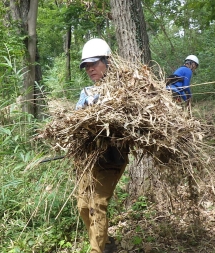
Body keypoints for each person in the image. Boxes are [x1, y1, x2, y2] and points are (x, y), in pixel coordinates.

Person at [75, 38, 129, 253]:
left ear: (108, 61)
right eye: (87, 66)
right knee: (83, 206)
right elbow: (75, 120)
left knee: (97, 205)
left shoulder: (124, 89)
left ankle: (97, 250)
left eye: (94, 63)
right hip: (88, 157)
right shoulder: (86, 93)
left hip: (111, 157)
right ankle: (106, 243)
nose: (90, 69)